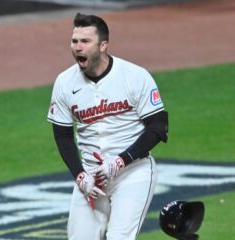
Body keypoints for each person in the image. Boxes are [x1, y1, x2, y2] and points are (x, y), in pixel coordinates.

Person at [47, 13, 168, 240]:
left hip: (133, 172)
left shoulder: (134, 76)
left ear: (103, 45)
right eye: (74, 41)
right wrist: (80, 176)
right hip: (91, 177)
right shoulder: (64, 83)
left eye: (85, 41)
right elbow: (63, 136)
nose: (78, 47)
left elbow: (158, 127)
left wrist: (122, 159)